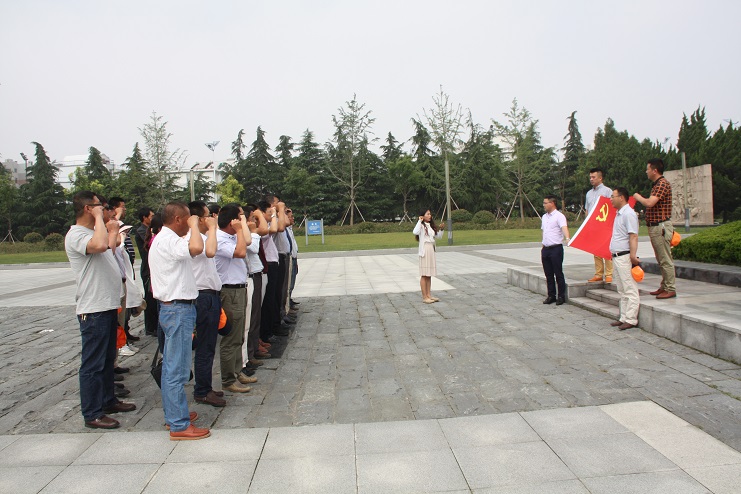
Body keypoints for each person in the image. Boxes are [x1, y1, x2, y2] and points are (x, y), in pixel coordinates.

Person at [65, 191, 136, 430]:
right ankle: (92, 412)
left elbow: (110, 247)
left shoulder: (95, 231)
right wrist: (101, 221)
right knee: (93, 363)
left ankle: (108, 400)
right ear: (88, 208)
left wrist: (111, 228)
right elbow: (99, 246)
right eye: (100, 207)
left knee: (107, 360)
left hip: (107, 304)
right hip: (93, 307)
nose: (106, 211)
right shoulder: (77, 234)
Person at [149, 201, 210, 440]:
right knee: (176, 369)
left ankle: (174, 414)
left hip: (175, 308)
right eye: (187, 219)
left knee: (173, 367)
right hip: (177, 309)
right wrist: (195, 225)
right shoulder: (169, 240)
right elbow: (196, 247)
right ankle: (178, 424)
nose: (190, 223)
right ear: (177, 220)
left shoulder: (165, 239)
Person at [187, 201, 226, 408]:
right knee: (204, 346)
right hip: (202, 296)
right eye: (208, 215)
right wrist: (212, 229)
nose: (212, 218)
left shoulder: (202, 237)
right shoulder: (195, 238)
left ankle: (205, 386)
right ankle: (202, 390)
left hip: (209, 295)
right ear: (200, 219)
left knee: (209, 345)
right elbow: (210, 251)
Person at [214, 204, 254, 393]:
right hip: (229, 292)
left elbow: (247, 241)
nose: (243, 220)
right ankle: (228, 378)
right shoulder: (220, 239)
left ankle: (237, 371)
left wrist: (240, 228)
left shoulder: (231, 237)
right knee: (231, 337)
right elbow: (240, 252)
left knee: (239, 335)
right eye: (240, 217)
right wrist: (239, 229)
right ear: (232, 221)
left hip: (239, 289)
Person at [633, 158, 676, 299]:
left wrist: (638, 197)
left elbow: (650, 203)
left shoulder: (662, 184)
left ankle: (670, 288)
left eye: (648, 169)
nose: (646, 172)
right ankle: (664, 286)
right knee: (661, 258)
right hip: (656, 227)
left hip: (660, 226)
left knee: (665, 259)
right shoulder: (657, 184)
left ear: (655, 170)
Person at [608, 187, 641, 330]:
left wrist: (633, 255)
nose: (611, 199)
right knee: (621, 289)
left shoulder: (629, 214)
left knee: (629, 288)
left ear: (621, 197)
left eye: (613, 196)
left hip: (624, 256)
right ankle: (623, 317)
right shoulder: (619, 214)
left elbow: (633, 236)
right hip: (616, 256)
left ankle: (631, 319)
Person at [585, 168, 614, 283]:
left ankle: (609, 274)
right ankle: (598, 273)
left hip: (604, 225)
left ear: (600, 178)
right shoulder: (589, 193)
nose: (591, 179)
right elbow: (587, 210)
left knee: (606, 250)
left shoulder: (607, 191)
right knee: (596, 251)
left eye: (594, 177)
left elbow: (612, 208)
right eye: (590, 177)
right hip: (593, 225)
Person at [541, 195, 570, 305]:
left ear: (552, 203)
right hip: (546, 248)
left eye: (545, 203)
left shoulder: (559, 216)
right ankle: (551, 295)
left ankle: (561, 296)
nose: (544, 205)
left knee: (558, 273)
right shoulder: (544, 217)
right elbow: (544, 231)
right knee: (548, 274)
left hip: (556, 248)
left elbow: (564, 227)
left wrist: (567, 238)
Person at [413, 209, 443, 304]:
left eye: (430, 214)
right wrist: (419, 221)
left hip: (431, 249)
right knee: (424, 274)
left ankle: (429, 295)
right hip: (425, 249)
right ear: (423, 216)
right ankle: (424, 297)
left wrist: (441, 229)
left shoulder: (430, 226)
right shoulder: (421, 226)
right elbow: (415, 232)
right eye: (428, 214)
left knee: (429, 274)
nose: (430, 215)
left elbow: (438, 236)